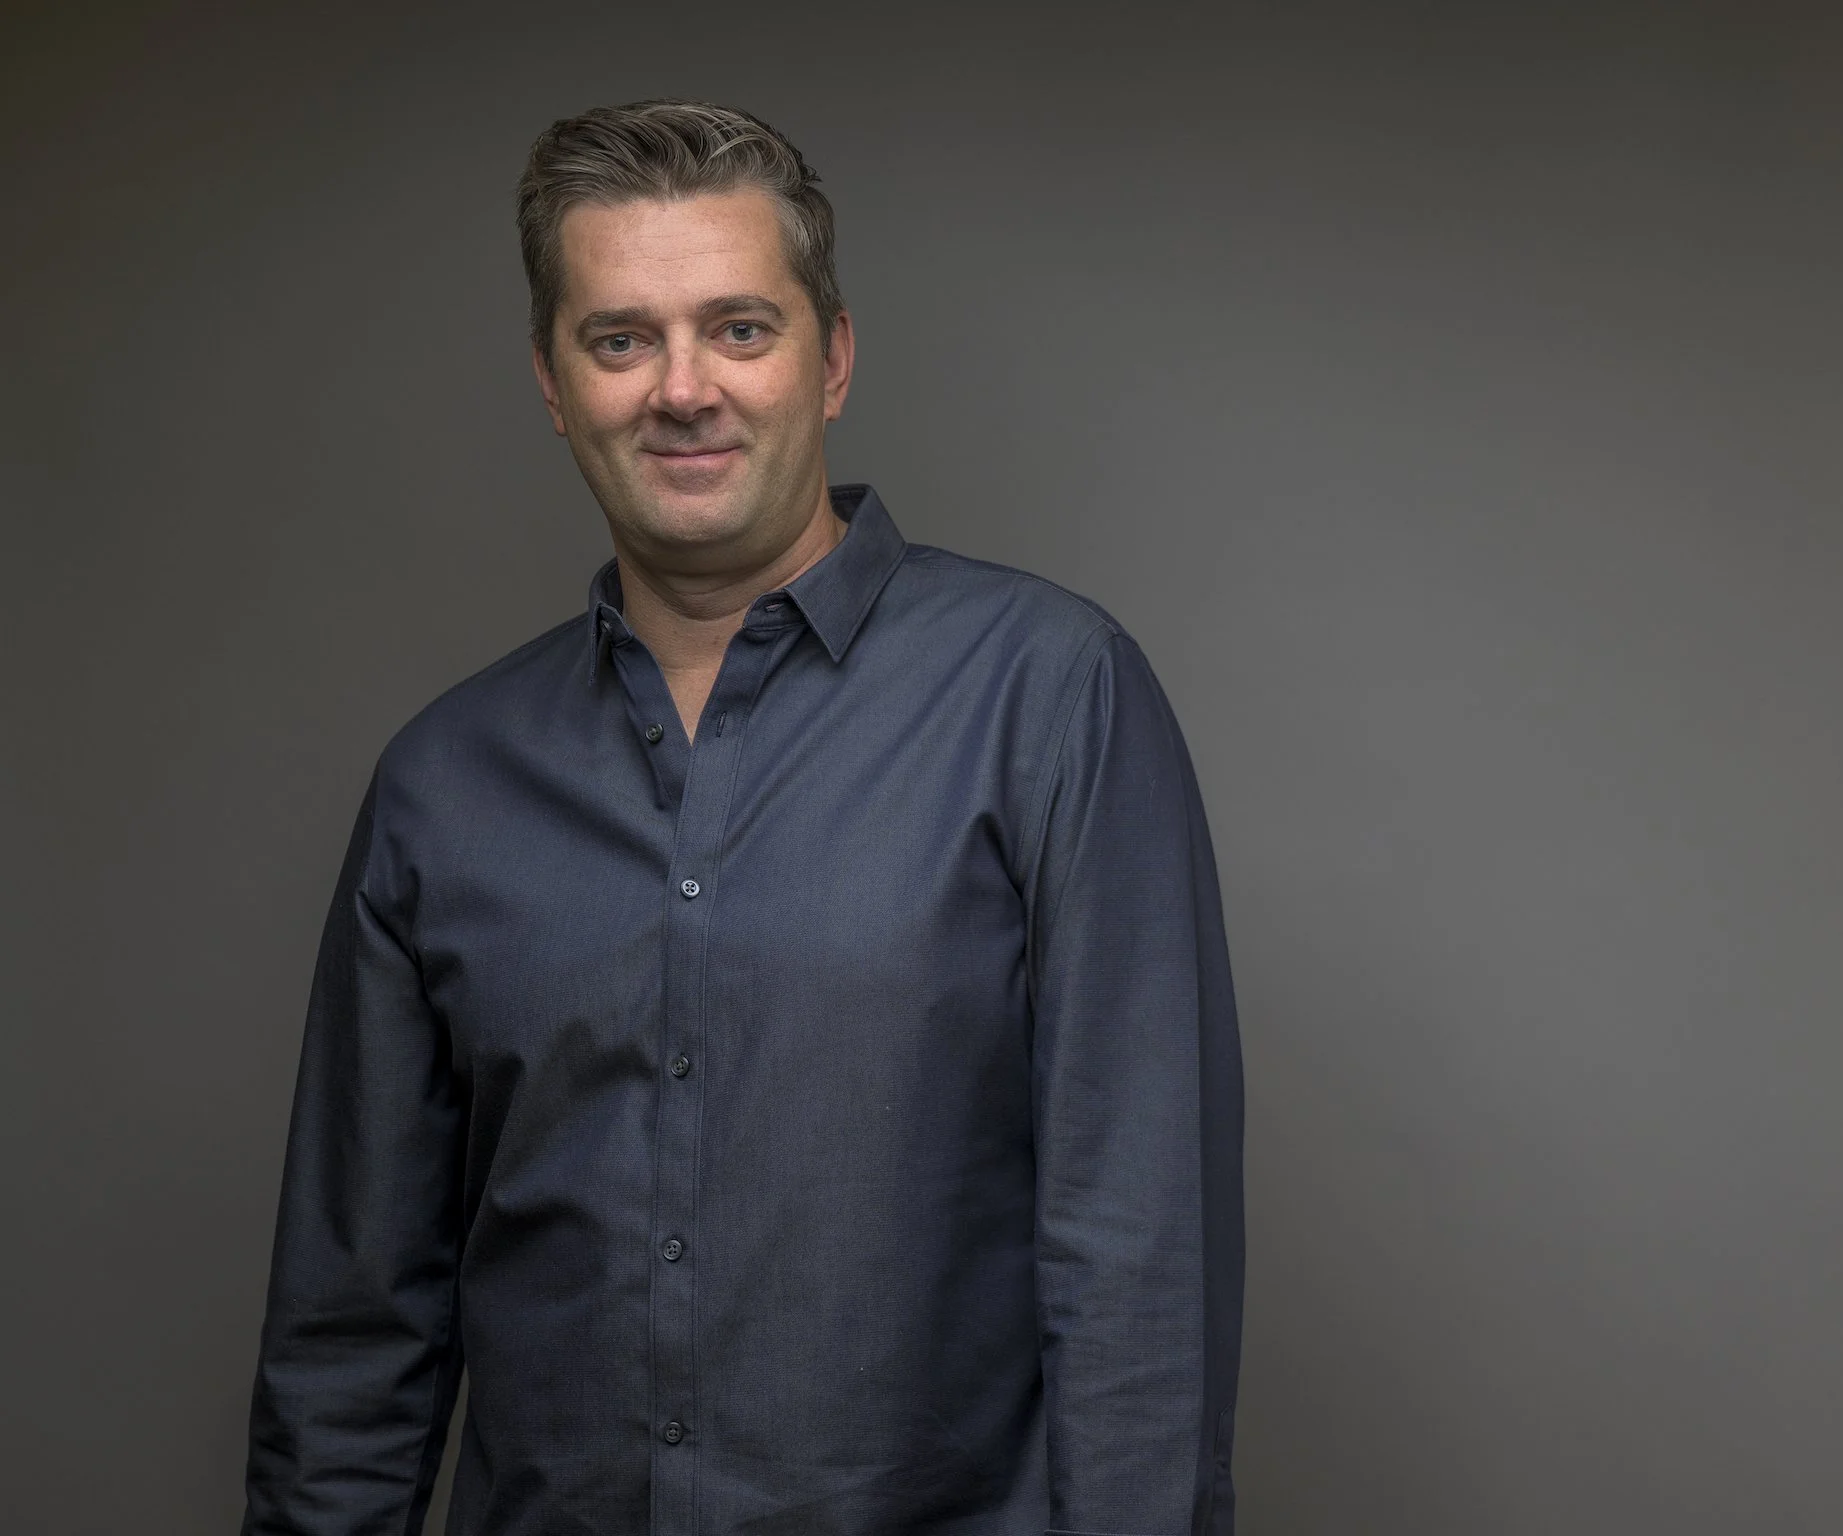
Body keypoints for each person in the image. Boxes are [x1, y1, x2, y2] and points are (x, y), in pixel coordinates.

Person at [241, 99, 1243, 1536]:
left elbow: (1140, 1262)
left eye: (740, 329)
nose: (683, 388)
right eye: (620, 339)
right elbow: (352, 1331)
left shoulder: (1050, 697)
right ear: (553, 383)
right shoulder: (443, 782)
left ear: (830, 360)